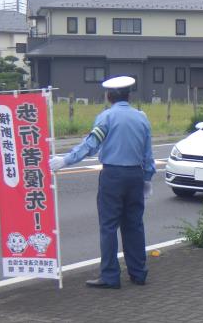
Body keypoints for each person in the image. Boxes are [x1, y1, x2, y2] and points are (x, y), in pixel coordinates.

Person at [49, 76, 155, 289]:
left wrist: (65, 160)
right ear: (128, 95)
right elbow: (148, 155)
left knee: (108, 226)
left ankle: (110, 276)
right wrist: (147, 179)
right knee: (134, 225)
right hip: (135, 175)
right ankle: (138, 273)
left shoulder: (106, 117)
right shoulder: (142, 118)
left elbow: (91, 145)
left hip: (113, 176)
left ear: (109, 96)